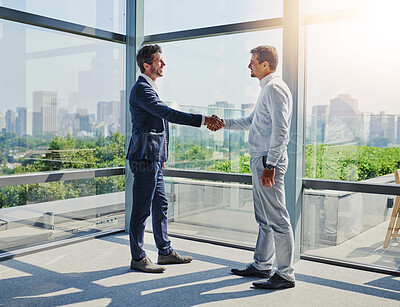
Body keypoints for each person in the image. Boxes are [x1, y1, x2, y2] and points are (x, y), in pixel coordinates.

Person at [126, 44, 223, 273]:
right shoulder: (142, 89)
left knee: (161, 205)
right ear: (146, 65)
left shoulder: (151, 88)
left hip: (154, 158)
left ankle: (165, 252)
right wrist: (203, 119)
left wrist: (162, 156)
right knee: (142, 210)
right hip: (144, 158)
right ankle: (138, 258)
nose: (164, 64)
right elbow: (168, 115)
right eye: (159, 60)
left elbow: (159, 127)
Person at [221, 45, 295, 289]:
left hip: (266, 160)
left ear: (265, 64)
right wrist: (222, 123)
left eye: (253, 62)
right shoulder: (267, 90)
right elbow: (252, 122)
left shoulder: (274, 88)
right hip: (261, 158)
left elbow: (281, 130)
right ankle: (262, 265)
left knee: (277, 218)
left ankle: (285, 274)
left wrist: (271, 164)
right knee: (264, 217)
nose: (249, 66)